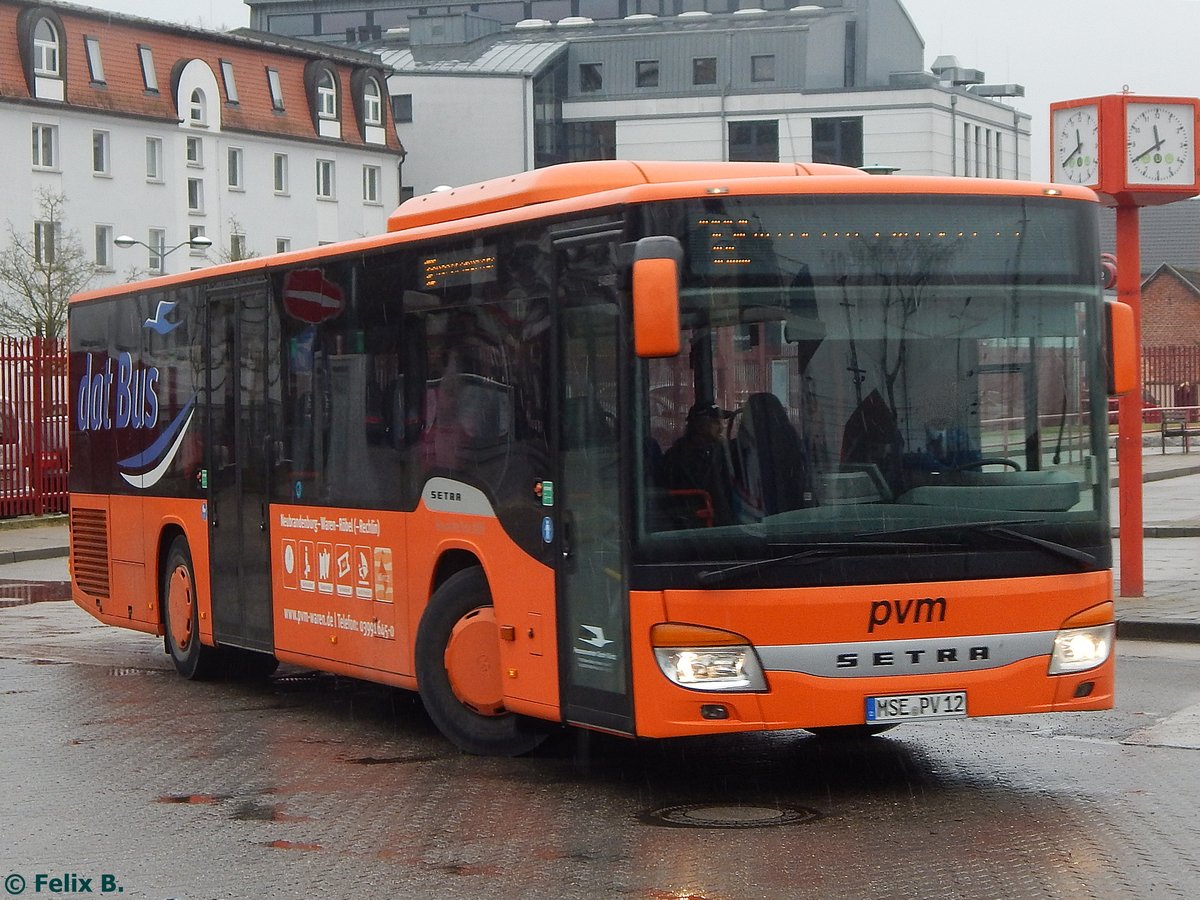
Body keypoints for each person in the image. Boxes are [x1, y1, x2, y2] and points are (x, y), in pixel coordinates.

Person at [661, 401, 736, 525]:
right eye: (715, 422)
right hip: (698, 524)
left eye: (721, 422)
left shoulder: (718, 450)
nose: (721, 428)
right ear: (700, 425)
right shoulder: (679, 456)